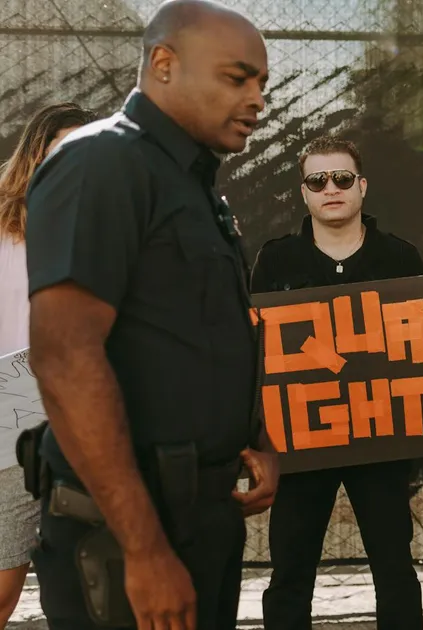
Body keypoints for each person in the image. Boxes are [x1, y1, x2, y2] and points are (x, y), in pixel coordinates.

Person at [23, 2, 277, 628]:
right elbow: (65, 357)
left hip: (203, 516)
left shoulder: (190, 184)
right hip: (122, 533)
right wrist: (142, 547)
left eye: (261, 84)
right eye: (236, 78)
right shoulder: (101, 164)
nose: (257, 101)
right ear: (163, 64)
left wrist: (256, 441)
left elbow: (203, 335)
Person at [250, 135, 423, 630]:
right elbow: (254, 352)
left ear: (363, 187)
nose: (330, 188)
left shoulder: (399, 257)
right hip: (300, 442)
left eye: (342, 178)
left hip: (381, 438)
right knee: (290, 570)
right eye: (318, 179)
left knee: (394, 568)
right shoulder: (275, 261)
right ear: (304, 192)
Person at [0, 101, 97, 626]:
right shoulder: (1, 220)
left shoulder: (109, 224)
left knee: (87, 586)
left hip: (87, 417)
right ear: (34, 152)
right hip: (9, 412)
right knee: (2, 584)